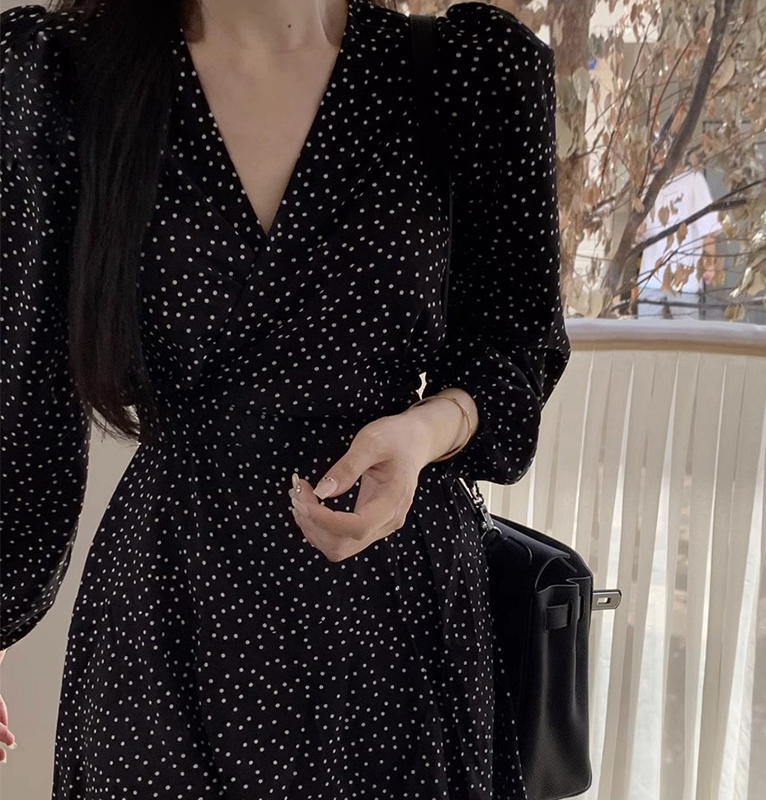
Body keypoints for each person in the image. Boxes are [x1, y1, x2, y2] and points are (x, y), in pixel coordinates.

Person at [0, 1, 570, 796]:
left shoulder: (464, 73)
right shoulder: (66, 71)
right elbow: (19, 398)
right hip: (167, 618)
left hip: (392, 628)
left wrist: (423, 433)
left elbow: (513, 350)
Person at [636, 164, 721, 319]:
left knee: (685, 330)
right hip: (650, 275)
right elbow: (641, 227)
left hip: (684, 278)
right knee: (646, 331)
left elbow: (708, 226)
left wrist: (709, 264)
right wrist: (638, 234)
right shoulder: (649, 181)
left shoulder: (694, 179)